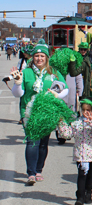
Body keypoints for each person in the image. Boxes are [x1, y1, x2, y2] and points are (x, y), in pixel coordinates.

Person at [10, 40, 68, 184]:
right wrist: (17, 83)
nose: (39, 58)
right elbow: (18, 94)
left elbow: (65, 88)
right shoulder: (26, 72)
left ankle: (38, 170)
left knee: (43, 143)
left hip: (47, 112)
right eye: (37, 56)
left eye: (42, 56)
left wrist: (57, 95)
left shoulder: (53, 72)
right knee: (32, 141)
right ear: (32, 57)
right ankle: (31, 173)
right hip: (29, 112)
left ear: (47, 57)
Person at [57, 97, 92, 205]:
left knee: (89, 176)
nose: (85, 113)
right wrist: (61, 123)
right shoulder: (77, 122)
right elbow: (67, 134)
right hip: (80, 154)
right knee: (82, 175)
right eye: (83, 110)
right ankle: (80, 197)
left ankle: (88, 192)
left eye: (88, 110)